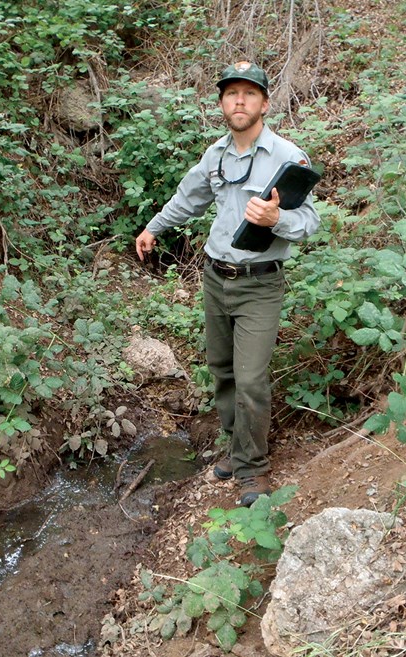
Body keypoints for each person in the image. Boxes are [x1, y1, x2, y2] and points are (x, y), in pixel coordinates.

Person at [135, 61, 320, 506]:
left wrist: (279, 218)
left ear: (265, 103)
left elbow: (310, 221)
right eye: (232, 94)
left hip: (260, 283)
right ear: (221, 102)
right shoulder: (216, 154)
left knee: (251, 379)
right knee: (222, 370)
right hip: (216, 278)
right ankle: (237, 450)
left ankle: (253, 472)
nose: (240, 101)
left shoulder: (288, 158)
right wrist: (154, 228)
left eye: (249, 94)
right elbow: (188, 199)